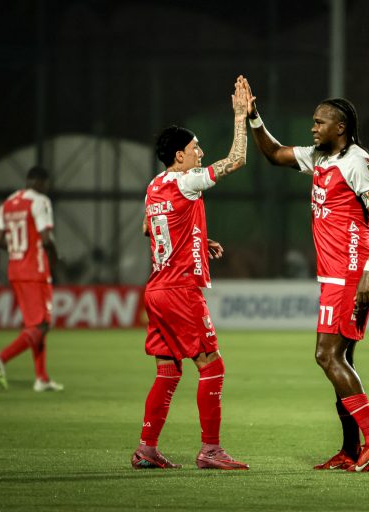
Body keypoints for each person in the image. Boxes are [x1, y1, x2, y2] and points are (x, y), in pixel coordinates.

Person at [242, 77, 369, 472]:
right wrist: (253, 117)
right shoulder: (321, 158)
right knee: (342, 364)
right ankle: (349, 451)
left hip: (351, 272)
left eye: (319, 122)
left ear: (340, 128)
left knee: (326, 356)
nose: (313, 128)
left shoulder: (358, 162)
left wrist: (368, 272)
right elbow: (275, 154)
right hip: (334, 275)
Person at [131, 76, 250, 471]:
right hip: (181, 289)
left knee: (168, 370)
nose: (200, 152)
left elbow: (151, 229)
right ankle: (210, 450)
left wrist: (199, 239)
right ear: (179, 156)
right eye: (195, 148)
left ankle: (146, 449)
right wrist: (239, 116)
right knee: (211, 365)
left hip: (156, 289)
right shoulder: (188, 181)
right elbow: (236, 160)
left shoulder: (154, 186)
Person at [0, 166, 64, 392]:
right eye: (46, 184)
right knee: (42, 325)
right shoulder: (40, 201)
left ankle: (42, 378)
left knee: (35, 325)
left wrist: (18, 249)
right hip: (35, 271)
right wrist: (56, 256)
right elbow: (46, 238)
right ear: (40, 182)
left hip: (15, 269)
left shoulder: (8, 202)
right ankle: (1, 357)